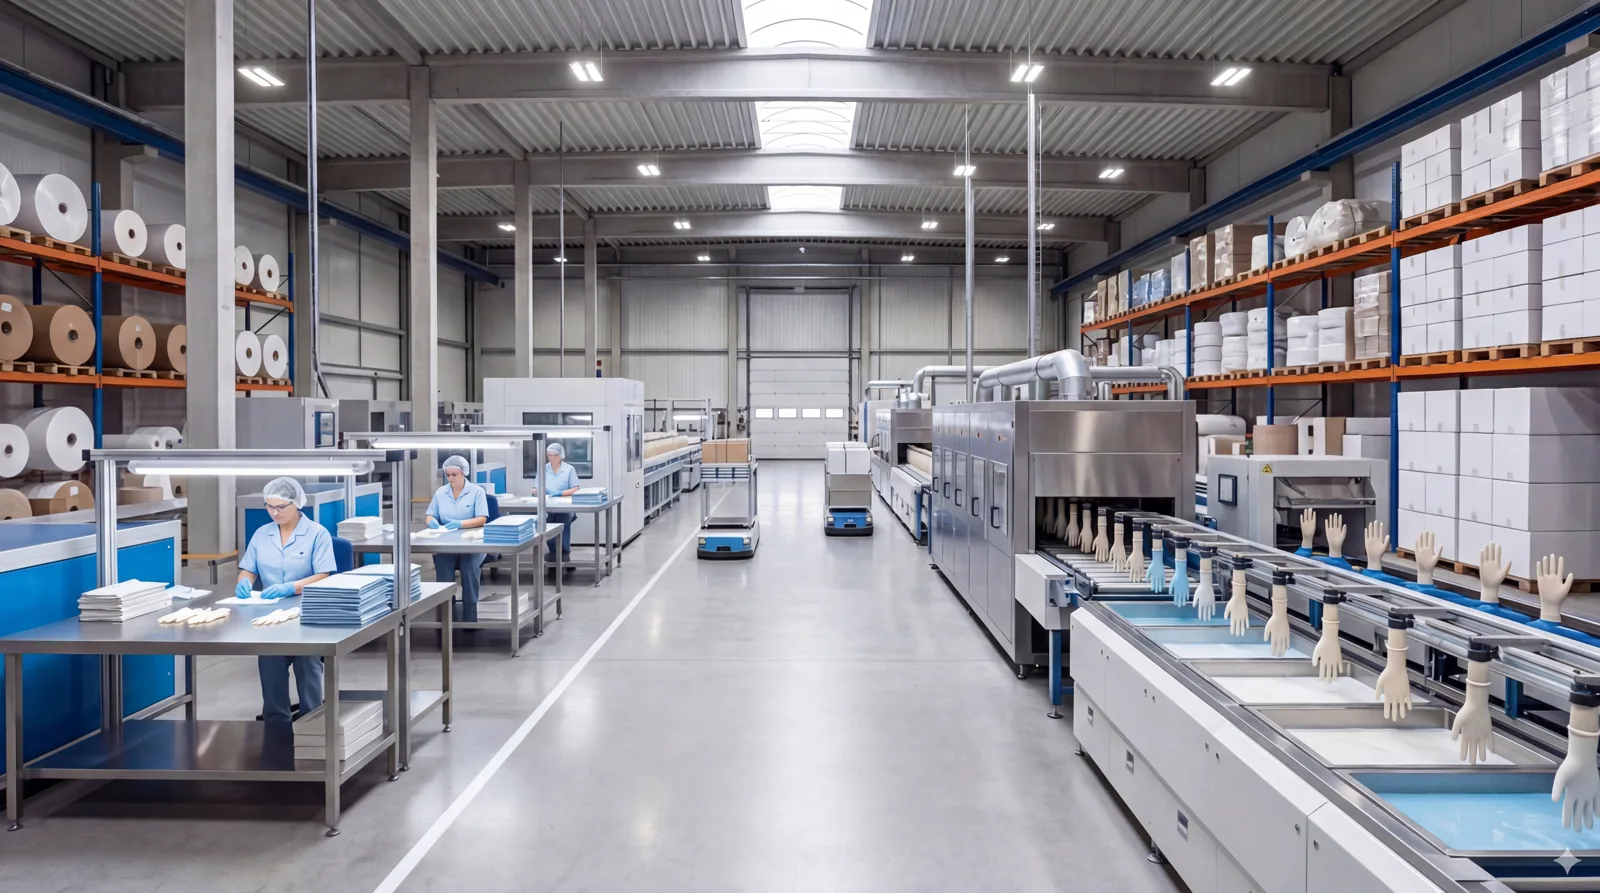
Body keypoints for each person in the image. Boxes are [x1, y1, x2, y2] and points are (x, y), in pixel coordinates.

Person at [236, 477, 335, 722]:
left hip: (307, 614)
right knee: (270, 662)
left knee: (307, 661)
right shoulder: (262, 534)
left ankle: (311, 720)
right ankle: (275, 721)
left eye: (281, 507)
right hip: (271, 615)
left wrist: (291, 587)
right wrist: (244, 581)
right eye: (270, 507)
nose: (275, 512)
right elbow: (248, 569)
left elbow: (324, 575)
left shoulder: (317, 534)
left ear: (296, 503)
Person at [426, 455, 490, 621]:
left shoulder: (477, 492)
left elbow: (482, 518)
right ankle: (445, 613)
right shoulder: (441, 493)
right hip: (447, 544)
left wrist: (461, 523)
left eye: (454, 474)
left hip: (473, 544)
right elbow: (430, 515)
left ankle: (470, 614)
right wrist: (431, 521)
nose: (451, 478)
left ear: (463, 473)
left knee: (469, 568)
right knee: (443, 566)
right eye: (448, 475)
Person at [541, 442, 580, 573]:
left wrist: (561, 493)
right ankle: (554, 553)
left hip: (565, 506)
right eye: (549, 455)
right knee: (549, 523)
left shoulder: (569, 469)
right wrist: (540, 491)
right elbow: (534, 488)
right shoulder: (543, 469)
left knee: (562, 520)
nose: (551, 458)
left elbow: (576, 488)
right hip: (548, 506)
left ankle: (564, 554)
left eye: (554, 455)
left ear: (561, 456)